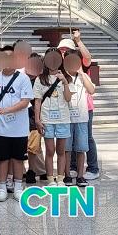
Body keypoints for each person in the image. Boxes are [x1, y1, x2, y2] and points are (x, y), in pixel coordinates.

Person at [0, 45, 34, 202]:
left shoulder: (23, 78)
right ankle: (2, 187)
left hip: (19, 128)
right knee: (2, 159)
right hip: (0, 128)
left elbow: (25, 101)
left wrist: (7, 110)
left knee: (17, 158)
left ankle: (18, 187)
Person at [60, 31, 99, 181]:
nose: (63, 52)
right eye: (61, 50)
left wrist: (78, 40)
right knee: (69, 140)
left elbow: (88, 57)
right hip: (67, 110)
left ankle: (93, 168)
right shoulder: (61, 68)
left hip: (85, 109)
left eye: (66, 50)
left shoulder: (81, 65)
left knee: (86, 138)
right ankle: (72, 168)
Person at [34, 48, 72, 187]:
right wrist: (37, 120)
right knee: (50, 150)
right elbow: (37, 101)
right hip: (47, 119)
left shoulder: (67, 77)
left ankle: (60, 178)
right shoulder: (40, 79)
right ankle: (50, 179)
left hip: (63, 119)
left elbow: (68, 98)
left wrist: (65, 82)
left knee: (61, 150)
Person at [24, 53, 47, 184]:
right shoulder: (21, 79)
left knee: (33, 147)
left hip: (35, 117)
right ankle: (36, 170)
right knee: (28, 146)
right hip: (21, 117)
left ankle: (33, 171)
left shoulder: (43, 80)